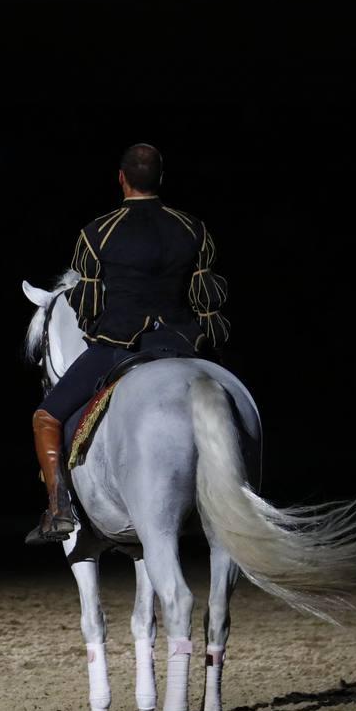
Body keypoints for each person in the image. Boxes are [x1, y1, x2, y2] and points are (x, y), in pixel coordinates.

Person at [26, 143, 232, 545]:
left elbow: (86, 307)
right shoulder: (193, 229)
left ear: (121, 179)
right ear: (161, 179)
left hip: (119, 346)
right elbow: (208, 302)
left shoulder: (96, 233)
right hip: (184, 344)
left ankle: (58, 509)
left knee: (46, 418)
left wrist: (99, 329)